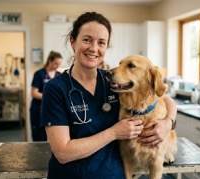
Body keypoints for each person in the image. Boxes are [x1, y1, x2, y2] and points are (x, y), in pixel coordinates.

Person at [40, 12, 177, 179]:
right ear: (73, 41)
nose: (94, 48)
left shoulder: (114, 82)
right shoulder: (55, 88)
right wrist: (114, 133)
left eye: (101, 43)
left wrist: (167, 123)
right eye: (87, 40)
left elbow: (164, 98)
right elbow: (62, 152)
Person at [30, 51, 62, 141]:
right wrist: (49, 97)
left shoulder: (59, 75)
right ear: (49, 61)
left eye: (59, 64)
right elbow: (34, 93)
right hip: (38, 110)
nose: (57, 66)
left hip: (53, 111)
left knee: (53, 138)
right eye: (55, 63)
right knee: (39, 137)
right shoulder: (39, 74)